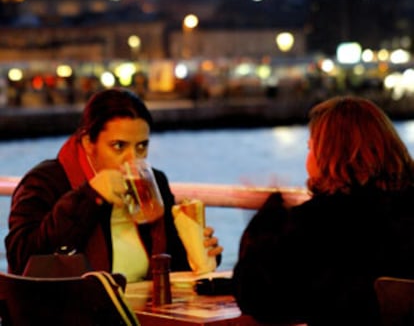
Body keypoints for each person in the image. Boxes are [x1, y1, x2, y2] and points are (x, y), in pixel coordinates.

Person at [232, 95, 414, 326]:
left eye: (310, 148)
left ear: (328, 156)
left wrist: (265, 222)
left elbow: (257, 297)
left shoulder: (316, 224)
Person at [6, 87, 222, 281]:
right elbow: (21, 259)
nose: (132, 159)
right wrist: (89, 196)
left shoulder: (154, 182)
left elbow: (173, 265)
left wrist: (201, 251)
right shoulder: (44, 181)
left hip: (142, 312)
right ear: (88, 143)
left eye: (141, 146)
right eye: (119, 146)